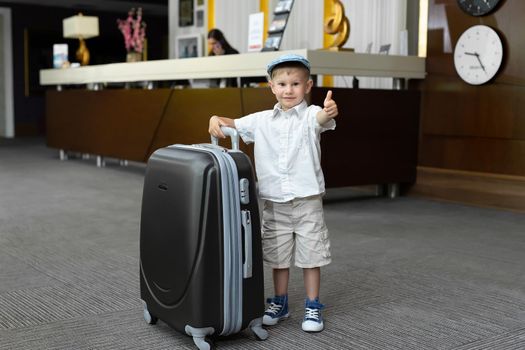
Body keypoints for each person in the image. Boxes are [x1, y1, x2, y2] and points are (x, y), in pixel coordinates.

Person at [208, 54, 338, 333]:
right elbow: (232, 124)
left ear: (308, 86)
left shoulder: (310, 115)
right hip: (274, 201)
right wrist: (214, 118)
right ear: (271, 86)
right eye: (282, 84)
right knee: (278, 256)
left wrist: (328, 110)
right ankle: (280, 301)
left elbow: (322, 118)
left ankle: (313, 304)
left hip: (306, 201)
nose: (288, 90)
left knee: (310, 254)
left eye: (295, 84)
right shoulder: (261, 120)